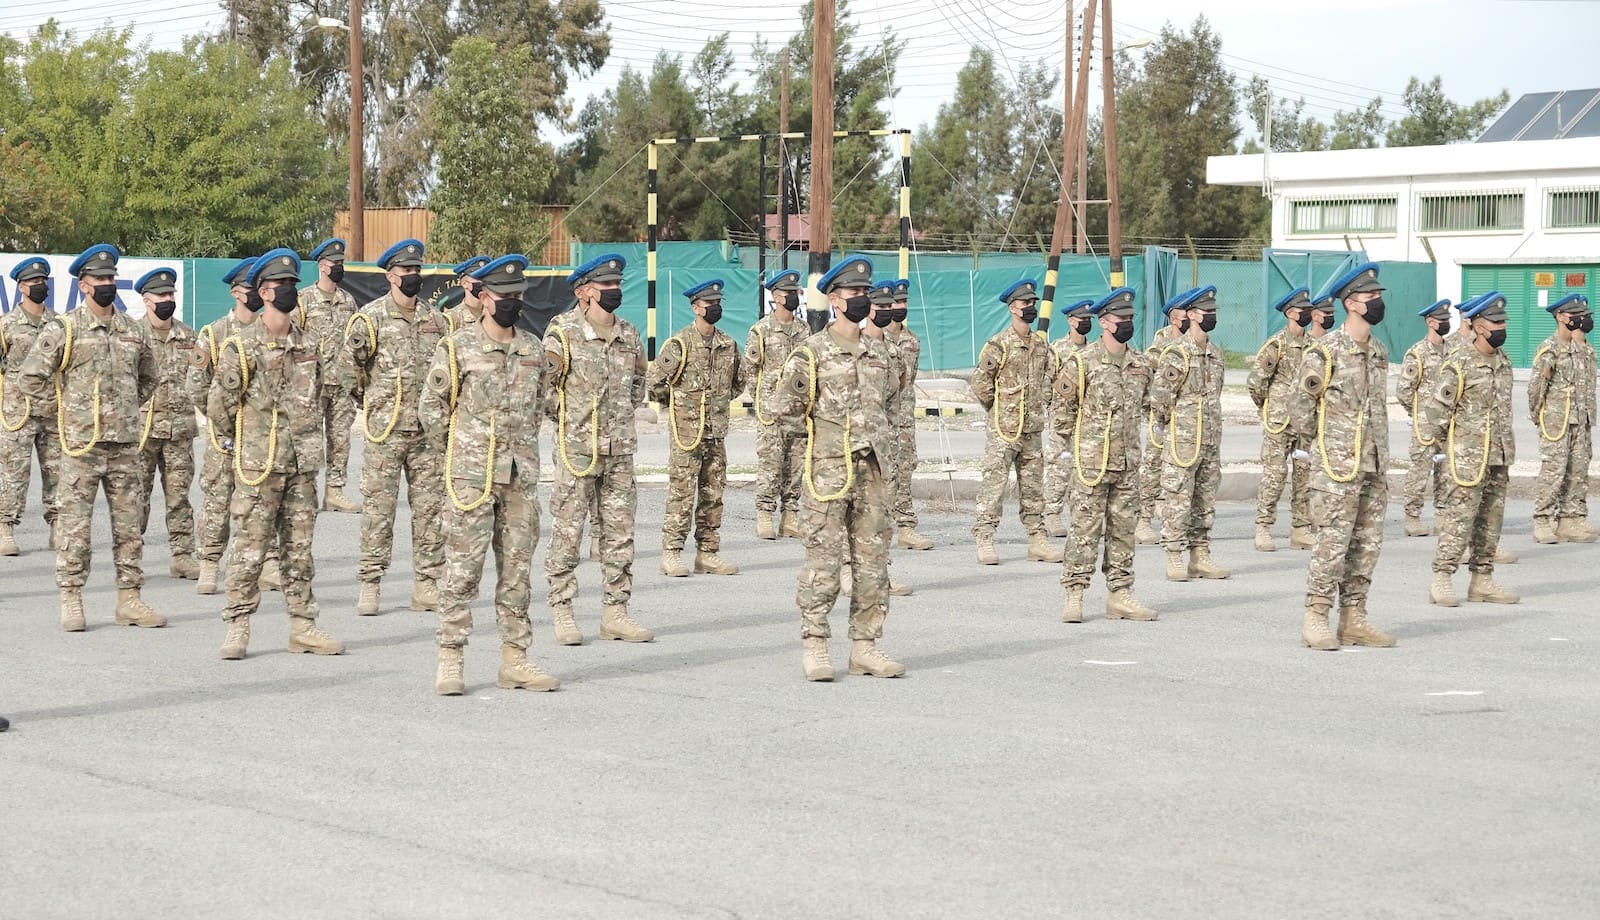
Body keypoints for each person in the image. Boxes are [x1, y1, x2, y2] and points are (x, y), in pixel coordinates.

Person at [420, 254, 559, 694]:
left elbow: (540, 407)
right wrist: (461, 454)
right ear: (482, 297)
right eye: (505, 296)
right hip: (471, 478)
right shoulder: (456, 346)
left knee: (517, 573)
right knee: (462, 572)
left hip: (520, 477)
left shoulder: (533, 349)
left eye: (519, 296)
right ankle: (451, 658)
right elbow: (432, 409)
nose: (513, 303)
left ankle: (515, 660)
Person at [16, 244, 164, 631]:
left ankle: (129, 599)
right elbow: (29, 378)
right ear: (83, 285)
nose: (107, 284)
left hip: (125, 447)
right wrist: (66, 411)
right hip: (80, 448)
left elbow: (149, 377)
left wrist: (125, 408)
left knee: (130, 527)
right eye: (100, 279)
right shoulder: (64, 328)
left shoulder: (133, 329)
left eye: (112, 278)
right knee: (74, 528)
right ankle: (71, 597)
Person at [770, 255, 904, 680]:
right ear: (833, 299)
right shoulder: (811, 353)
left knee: (872, 562)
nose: (863, 299)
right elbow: (784, 409)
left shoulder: (879, 352)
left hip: (874, 472)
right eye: (854, 293)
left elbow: (890, 400)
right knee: (823, 562)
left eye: (866, 293)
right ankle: (815, 645)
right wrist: (822, 439)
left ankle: (865, 646)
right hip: (829, 472)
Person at [208, 248, 344, 659]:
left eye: (292, 285)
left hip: (301, 466)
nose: (289, 291)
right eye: (281, 286)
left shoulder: (310, 345)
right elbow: (219, 407)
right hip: (258, 467)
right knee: (249, 550)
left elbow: (323, 398)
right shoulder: (241, 347)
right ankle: (237, 625)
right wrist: (242, 445)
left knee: (299, 552)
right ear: (263, 293)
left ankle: (303, 626)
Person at [543, 253, 653, 644]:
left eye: (617, 284)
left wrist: (619, 417)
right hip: (577, 451)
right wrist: (572, 422)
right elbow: (546, 391)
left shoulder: (629, 333)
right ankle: (563, 610)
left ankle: (616, 613)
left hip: (620, 451)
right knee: (568, 533)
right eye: (606, 285)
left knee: (620, 534)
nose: (615, 291)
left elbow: (639, 384)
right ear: (585, 292)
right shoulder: (562, 334)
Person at [1290, 262, 1395, 650]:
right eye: (1371, 297)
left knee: (1366, 545)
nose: (1378, 303)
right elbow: (1300, 408)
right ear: (1351, 303)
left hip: (1373, 464)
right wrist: (1327, 443)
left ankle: (1354, 618)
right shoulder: (1325, 351)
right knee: (1331, 545)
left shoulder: (1379, 352)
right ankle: (1316, 617)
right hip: (1336, 468)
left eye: (1379, 297)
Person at [343, 238, 448, 616]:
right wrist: (373, 404)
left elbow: (446, 371)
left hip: (427, 434)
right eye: (406, 271)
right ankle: (371, 584)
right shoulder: (369, 318)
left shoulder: (436, 319)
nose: (413, 276)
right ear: (390, 275)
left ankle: (427, 584)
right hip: (385, 432)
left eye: (417, 270)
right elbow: (348, 372)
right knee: (378, 513)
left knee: (431, 511)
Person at [1053, 288, 1158, 623]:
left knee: (1123, 530)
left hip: (1127, 463)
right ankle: (1074, 593)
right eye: (1120, 318)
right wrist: (1084, 447)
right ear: (1104, 322)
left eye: (1129, 318)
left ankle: (1120, 594)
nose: (1126, 323)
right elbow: (1063, 412)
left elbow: (1146, 406)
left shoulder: (1140, 364)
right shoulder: (1082, 363)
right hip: (1091, 465)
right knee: (1084, 529)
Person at [1422, 292, 1519, 607]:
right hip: (1466, 459)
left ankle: (1482, 580)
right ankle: (1442, 578)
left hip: (1499, 454)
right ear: (1477, 326)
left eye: (1504, 321)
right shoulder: (1459, 363)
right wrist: (1455, 448)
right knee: (1459, 520)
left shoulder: (1503, 361)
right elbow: (1436, 413)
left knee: (1492, 520)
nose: (1502, 327)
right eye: (1495, 322)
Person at [191, 257, 279, 595]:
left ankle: (268, 563)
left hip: (260, 439)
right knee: (217, 499)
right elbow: (197, 386)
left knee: (262, 501)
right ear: (235, 293)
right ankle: (210, 564)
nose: (253, 296)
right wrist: (223, 422)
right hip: (224, 437)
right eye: (248, 290)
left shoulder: (271, 331)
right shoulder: (214, 334)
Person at [649, 279, 744, 577]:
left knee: (713, 494)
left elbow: (737, 382)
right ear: (695, 307)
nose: (714, 307)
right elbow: (654, 384)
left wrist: (718, 402)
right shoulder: (679, 344)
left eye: (717, 303)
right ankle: (672, 553)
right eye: (708, 304)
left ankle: (708, 553)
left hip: (716, 433)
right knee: (681, 493)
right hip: (687, 435)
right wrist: (679, 405)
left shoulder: (727, 344)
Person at [970, 279, 1062, 566]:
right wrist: (997, 409)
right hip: (1004, 430)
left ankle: (1037, 539)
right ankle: (985, 537)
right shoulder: (1000, 344)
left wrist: (1042, 402)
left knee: (1034, 488)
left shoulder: (1040, 345)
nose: (1031, 308)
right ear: (1012, 308)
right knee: (994, 487)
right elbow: (980, 383)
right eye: (1025, 304)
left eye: (1033, 303)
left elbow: (1049, 377)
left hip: (1032, 430)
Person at [1148, 286, 1229, 582]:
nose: (1212, 316)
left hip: (1210, 440)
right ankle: (1174, 555)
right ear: (1192, 315)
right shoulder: (1176, 353)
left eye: (1214, 311)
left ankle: (1200, 555)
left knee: (1205, 500)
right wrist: (1171, 425)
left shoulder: (1216, 355)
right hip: (1183, 441)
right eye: (1207, 312)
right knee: (1178, 499)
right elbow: (1160, 397)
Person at [132, 267, 199, 580]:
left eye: (171, 294)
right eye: (161, 295)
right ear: (147, 300)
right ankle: (130, 558)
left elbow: (201, 382)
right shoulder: (131, 335)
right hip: (141, 432)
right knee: (135, 498)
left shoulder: (189, 337)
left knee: (179, 498)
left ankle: (182, 556)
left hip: (180, 432)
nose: (167, 299)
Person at [0, 257, 62, 556]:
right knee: (14, 473)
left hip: (52, 410)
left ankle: (57, 526)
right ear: (22, 287)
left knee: (58, 472)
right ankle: (6, 527)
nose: (41, 286)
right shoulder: (7, 325)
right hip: (18, 413)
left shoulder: (59, 323)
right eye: (35, 282)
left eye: (44, 281)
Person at [1247, 288, 1315, 553]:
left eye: (1308, 309)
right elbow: (1256, 382)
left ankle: (1300, 529)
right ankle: (1263, 528)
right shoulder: (1276, 346)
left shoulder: (1314, 346)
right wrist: (1268, 406)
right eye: (1302, 310)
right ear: (1290, 313)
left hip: (1305, 422)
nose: (1307, 314)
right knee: (1275, 475)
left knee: (1304, 475)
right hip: (1279, 421)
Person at [297, 237, 362, 513]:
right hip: (313, 384)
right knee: (309, 439)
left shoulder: (348, 301)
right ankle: (305, 492)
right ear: (322, 266)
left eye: (342, 263)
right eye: (335, 263)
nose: (339, 267)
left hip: (342, 383)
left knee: (340, 439)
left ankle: (334, 492)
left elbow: (356, 340)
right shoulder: (303, 300)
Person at [745, 270, 809, 540]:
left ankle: (790, 515)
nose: (793, 297)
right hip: (771, 410)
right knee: (770, 465)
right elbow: (751, 370)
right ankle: (764, 514)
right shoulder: (761, 330)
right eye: (788, 293)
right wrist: (765, 400)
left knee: (796, 465)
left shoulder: (803, 329)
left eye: (795, 292)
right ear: (776, 296)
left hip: (798, 409)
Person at [1528, 293, 1596, 544]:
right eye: (1576, 315)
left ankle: (1571, 519)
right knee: (1554, 471)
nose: (1581, 320)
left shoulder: (1584, 350)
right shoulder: (1550, 349)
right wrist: (1539, 416)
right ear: (1560, 317)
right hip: (1556, 422)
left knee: (1578, 470)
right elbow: (1536, 388)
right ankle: (1542, 519)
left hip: (1581, 419)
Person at [1396, 299, 1453, 538]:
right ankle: (1412, 517)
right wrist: (1418, 412)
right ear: (1430, 322)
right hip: (1425, 424)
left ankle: (1442, 516)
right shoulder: (1418, 353)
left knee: (1446, 471)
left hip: (1449, 421)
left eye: (1448, 320)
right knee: (1420, 470)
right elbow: (1404, 390)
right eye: (1442, 320)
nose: (1446, 324)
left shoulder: (1453, 350)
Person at [886, 277, 933, 550]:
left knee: (905, 469)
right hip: (877, 418)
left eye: (903, 302)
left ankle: (905, 526)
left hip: (903, 419)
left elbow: (909, 380)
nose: (900, 306)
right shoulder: (871, 340)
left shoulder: (912, 341)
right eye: (895, 302)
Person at [1043, 298, 1095, 539]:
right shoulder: (1057, 349)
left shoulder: (1093, 350)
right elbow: (1047, 383)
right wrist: (1050, 410)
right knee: (1058, 467)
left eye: (1088, 319)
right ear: (1070, 321)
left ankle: (1081, 515)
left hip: (1087, 419)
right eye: (1080, 319)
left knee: (1085, 468)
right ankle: (1052, 514)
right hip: (1063, 418)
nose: (1085, 322)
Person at [1135, 299, 1184, 544]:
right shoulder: (1159, 349)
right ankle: (1143, 520)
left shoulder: (1193, 344)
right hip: (1162, 419)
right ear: (1174, 318)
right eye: (1186, 313)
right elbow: (1142, 380)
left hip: (1187, 421)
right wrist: (1151, 410)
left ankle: (1174, 523)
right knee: (1153, 468)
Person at [440, 255, 491, 333]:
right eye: (479, 278)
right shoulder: (451, 318)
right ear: (464, 283)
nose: (483, 282)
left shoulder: (495, 314)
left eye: (487, 277)